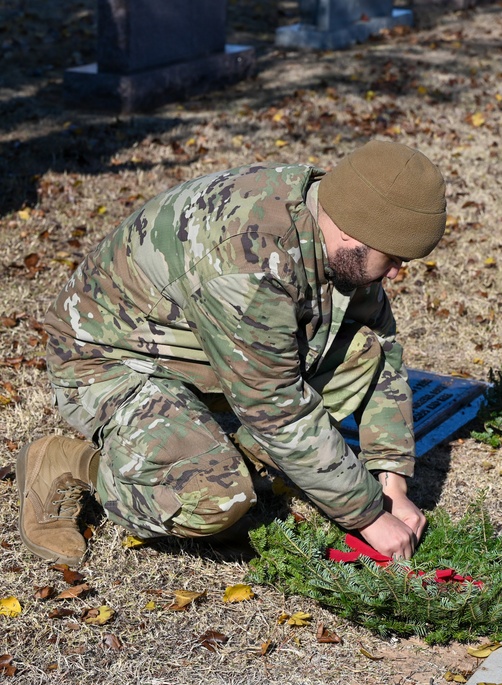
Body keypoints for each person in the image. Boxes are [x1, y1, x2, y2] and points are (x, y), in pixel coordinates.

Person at [18, 140, 447, 567]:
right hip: (109, 358)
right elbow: (275, 409)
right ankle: (72, 463)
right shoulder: (249, 258)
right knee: (218, 501)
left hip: (197, 349)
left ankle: (222, 455)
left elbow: (381, 345)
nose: (395, 273)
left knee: (361, 351)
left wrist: (391, 483)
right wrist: (369, 516)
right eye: (393, 258)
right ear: (354, 233)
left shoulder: (335, 218)